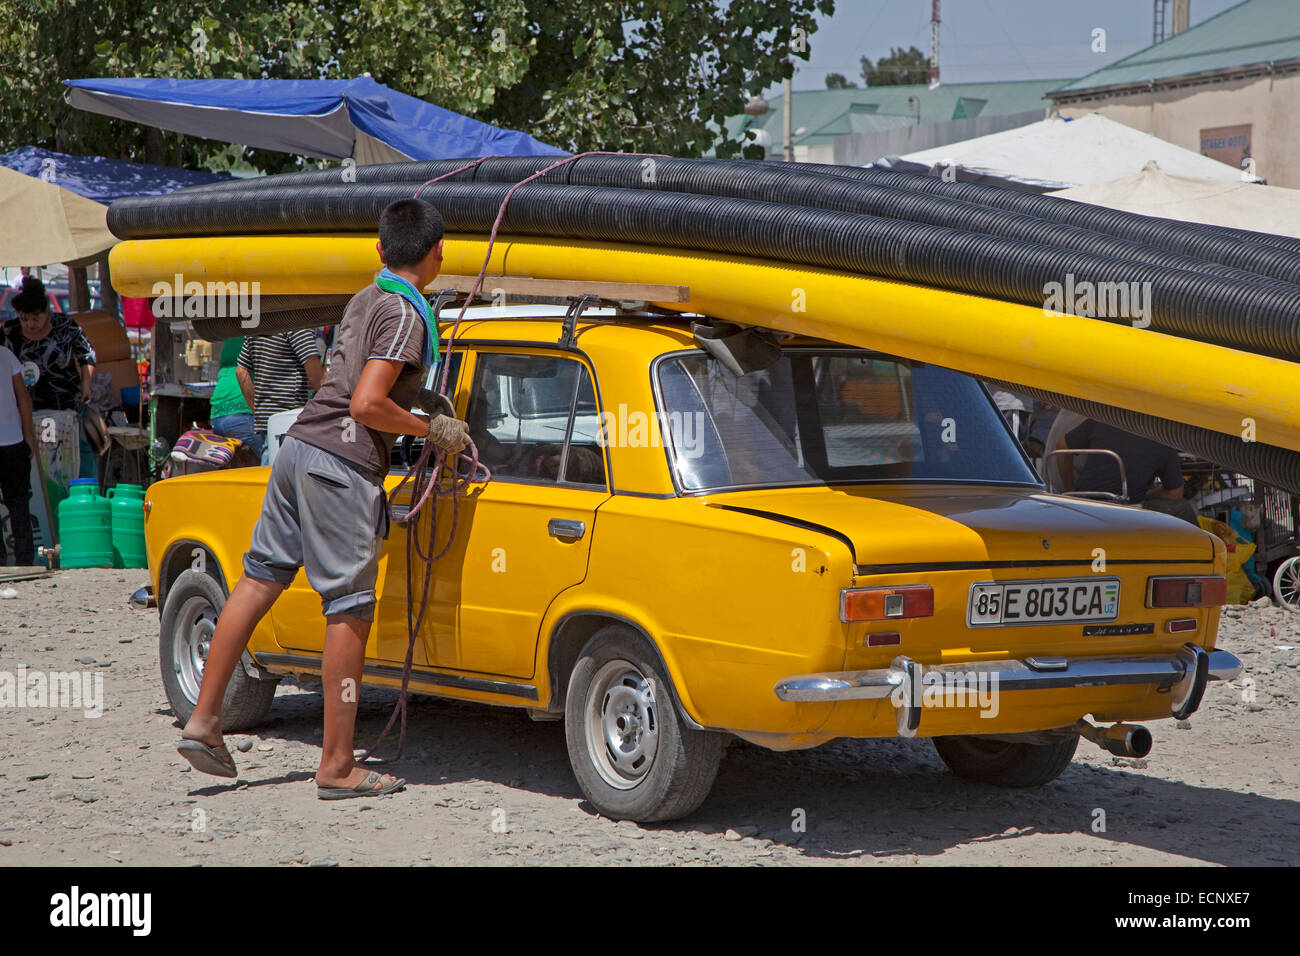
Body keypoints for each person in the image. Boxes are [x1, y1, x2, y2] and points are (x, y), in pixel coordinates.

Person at [177, 199, 470, 799]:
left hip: (297, 450)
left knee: (257, 581)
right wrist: (430, 428)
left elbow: (354, 385)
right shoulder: (408, 316)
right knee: (350, 610)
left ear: (381, 251)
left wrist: (414, 409)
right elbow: (365, 404)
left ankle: (204, 721)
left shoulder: (365, 299)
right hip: (341, 466)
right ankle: (337, 767)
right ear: (438, 254)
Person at [2, 276, 97, 478]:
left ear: (47, 312)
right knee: (35, 458)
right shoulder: (10, 331)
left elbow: (87, 355)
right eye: (23, 318)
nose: (29, 324)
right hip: (26, 409)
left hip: (67, 404)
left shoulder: (66, 326)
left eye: (35, 318)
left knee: (75, 452)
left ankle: (87, 493)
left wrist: (86, 384)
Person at [1060, 418, 1199, 525]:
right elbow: (1175, 493)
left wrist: (1069, 488)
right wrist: (1149, 493)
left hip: (1083, 501)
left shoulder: (1104, 418)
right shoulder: (1161, 436)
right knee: (1183, 509)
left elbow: (1061, 446)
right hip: (1126, 507)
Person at [236, 328, 324, 461]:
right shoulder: (298, 324)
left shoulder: (260, 326)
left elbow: (241, 371)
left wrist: (259, 411)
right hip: (289, 424)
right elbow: (317, 378)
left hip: (269, 425)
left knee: (268, 476)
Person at [0, 343, 38, 565]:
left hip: (13, 442)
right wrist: (29, 436)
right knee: (19, 505)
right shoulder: (6, 354)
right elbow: (24, 399)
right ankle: (25, 562)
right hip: (14, 443)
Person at [207, 336, 262, 461]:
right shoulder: (254, 337)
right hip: (242, 416)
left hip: (217, 416)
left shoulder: (230, 339)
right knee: (272, 457)